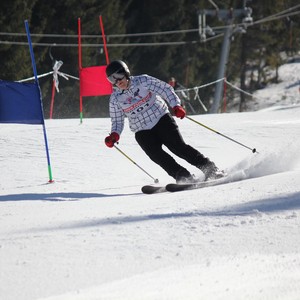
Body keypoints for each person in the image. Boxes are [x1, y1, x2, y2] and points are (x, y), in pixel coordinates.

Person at [104, 60, 223, 183]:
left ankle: (211, 169)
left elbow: (165, 89)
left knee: (178, 148)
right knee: (157, 156)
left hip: (161, 119)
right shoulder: (115, 99)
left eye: (118, 77)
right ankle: (183, 176)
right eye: (112, 80)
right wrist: (114, 135)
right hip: (141, 130)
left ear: (125, 72)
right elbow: (117, 120)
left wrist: (176, 106)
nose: (117, 82)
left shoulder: (143, 81)